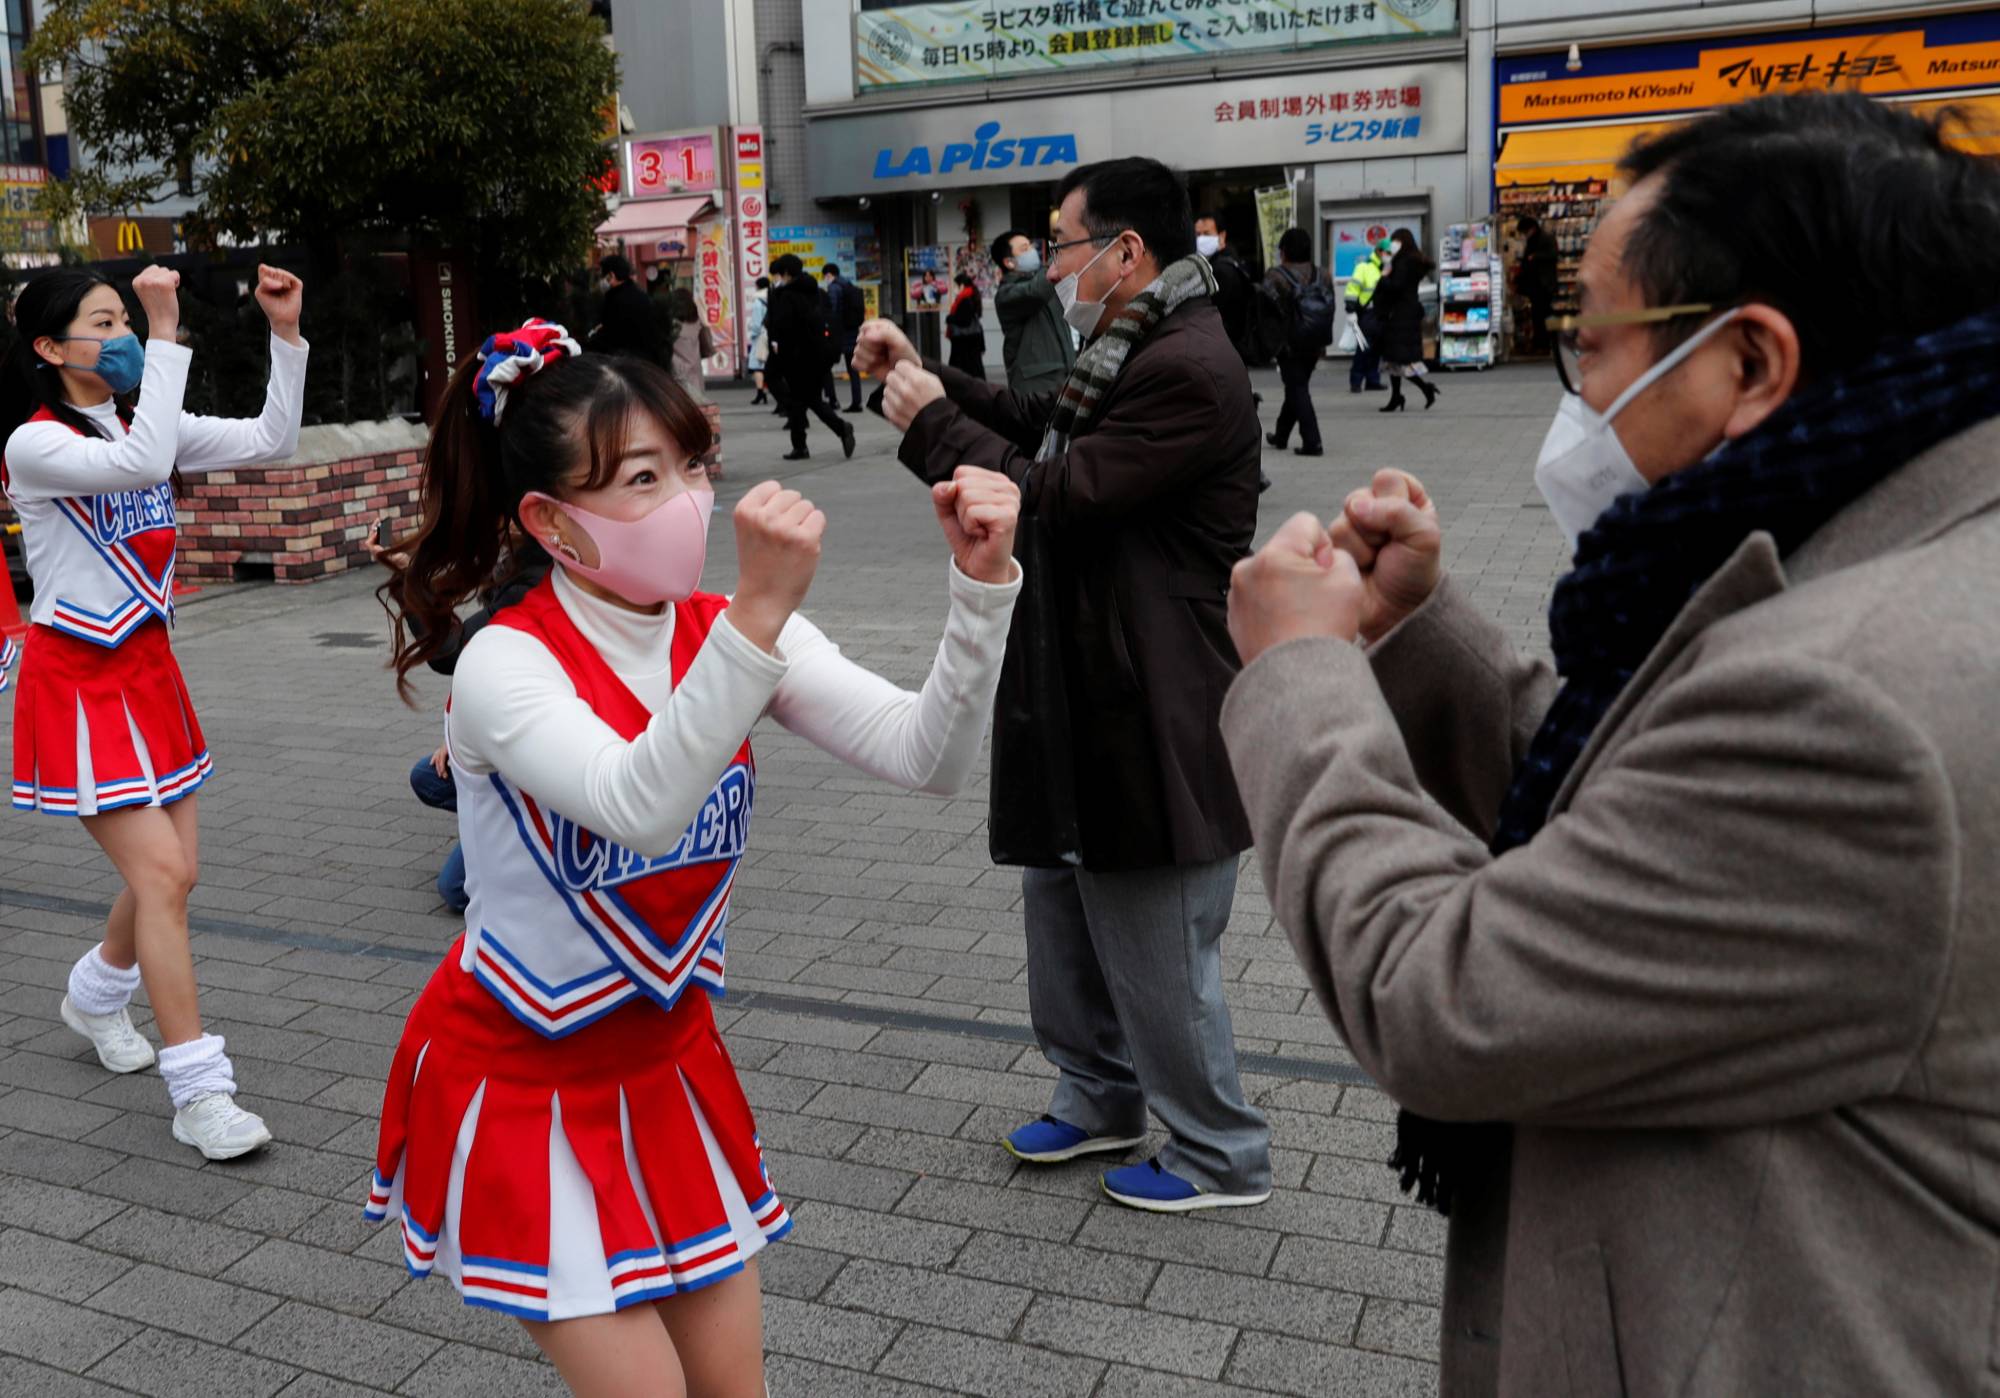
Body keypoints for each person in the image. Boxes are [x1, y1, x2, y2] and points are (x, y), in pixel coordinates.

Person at [1219, 91, 2000, 1395]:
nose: (1579, 390)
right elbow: (1662, 820)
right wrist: (1418, 631)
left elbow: (1442, 988)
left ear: (1754, 362)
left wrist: (1303, 672)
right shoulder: (1893, 522)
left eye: (1594, 343)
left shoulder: (1858, 700)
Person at [370, 319, 1022, 1397]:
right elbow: (639, 807)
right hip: (520, 1077)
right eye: (639, 477)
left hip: (667, 1065)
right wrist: (759, 618)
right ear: (551, 522)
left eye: (688, 464)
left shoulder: (727, 630)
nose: (684, 498)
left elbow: (925, 758)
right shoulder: (505, 662)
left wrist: (977, 594)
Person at [854, 155, 1272, 1213]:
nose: (1049, 265)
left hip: (1154, 694)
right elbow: (1039, 420)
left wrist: (922, 422)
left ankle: (1219, 1154)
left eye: (1063, 243)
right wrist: (932, 380)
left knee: (1154, 936)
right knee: (1064, 899)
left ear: (1126, 253)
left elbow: (1057, 489)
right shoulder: (1129, 341)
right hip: (1086, 680)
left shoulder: (1188, 365)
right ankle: (1099, 1094)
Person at [0, 262, 308, 1160]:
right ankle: (200, 1091)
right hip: (78, 683)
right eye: (106, 324)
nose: (126, 336)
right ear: (51, 349)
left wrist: (283, 335)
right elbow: (134, 464)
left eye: (128, 320)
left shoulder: (148, 419)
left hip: (150, 675)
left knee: (173, 876)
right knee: (164, 879)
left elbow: (272, 440)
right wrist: (167, 330)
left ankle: (96, 995)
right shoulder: (33, 444)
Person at [764, 254, 855, 462]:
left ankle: (828, 434)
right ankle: (830, 433)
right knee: (809, 400)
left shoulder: (786, 295)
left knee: (801, 400)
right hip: (818, 356)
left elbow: (782, 327)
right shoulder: (815, 291)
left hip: (796, 358)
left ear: (786, 273)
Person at [1261, 228, 1327, 458]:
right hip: (1316, 341)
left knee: (1297, 388)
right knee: (1296, 386)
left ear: (1284, 251)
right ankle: (1281, 435)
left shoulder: (1275, 276)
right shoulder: (1323, 274)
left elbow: (1269, 309)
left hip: (1289, 343)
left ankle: (1313, 441)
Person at [989, 229, 1074, 398]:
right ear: (1009, 262)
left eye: (1031, 246)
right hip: (1036, 386)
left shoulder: (1043, 281)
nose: (1032, 251)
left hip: (1064, 377)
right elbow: (1035, 291)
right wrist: (1061, 252)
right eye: (1024, 248)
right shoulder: (1007, 294)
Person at [1372, 227, 1438, 411]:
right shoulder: (1410, 261)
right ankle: (1396, 396)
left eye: (1395, 241)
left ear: (1402, 243)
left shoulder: (1404, 262)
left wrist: (1384, 276)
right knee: (1393, 359)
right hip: (1405, 313)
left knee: (1400, 359)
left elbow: (1395, 286)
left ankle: (1425, 388)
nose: (1392, 245)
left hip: (1399, 315)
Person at [1195, 211, 1256, 367]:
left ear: (1221, 236)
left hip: (1224, 348)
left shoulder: (1221, 270)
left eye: (1206, 234)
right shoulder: (1229, 262)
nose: (1200, 239)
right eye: (1197, 234)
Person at [585, 255, 665, 365]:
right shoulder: (642, 296)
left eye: (601, 276)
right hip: (648, 364)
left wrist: (591, 339)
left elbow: (610, 336)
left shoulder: (614, 301)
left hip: (625, 365)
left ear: (611, 276)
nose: (600, 281)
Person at [821, 263, 866, 413]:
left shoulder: (834, 288)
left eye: (825, 276)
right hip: (852, 331)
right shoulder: (848, 285)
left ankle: (832, 399)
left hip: (839, 333)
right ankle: (857, 402)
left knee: (825, 365)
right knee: (853, 368)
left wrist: (827, 327)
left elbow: (832, 311)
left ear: (829, 274)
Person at [1345, 239, 1387, 392]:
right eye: (1387, 253)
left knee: (1376, 349)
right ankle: (1356, 381)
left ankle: (1372, 380)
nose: (1389, 256)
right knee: (1363, 349)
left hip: (1380, 314)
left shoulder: (1386, 269)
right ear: (1379, 251)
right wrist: (1350, 310)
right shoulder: (1364, 267)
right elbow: (1352, 289)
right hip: (1367, 313)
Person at [1516, 214, 1560, 354]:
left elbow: (1553, 255)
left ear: (1532, 228)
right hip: (1535, 286)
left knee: (1544, 315)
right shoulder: (1533, 240)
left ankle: (1546, 344)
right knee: (1537, 315)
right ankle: (1540, 343)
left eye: (1525, 232)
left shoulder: (1546, 238)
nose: (1524, 235)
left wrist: (1535, 257)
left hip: (1544, 285)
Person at [667, 286, 713, 404]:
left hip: (676, 370)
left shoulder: (671, 324)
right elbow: (707, 345)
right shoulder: (697, 321)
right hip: (695, 370)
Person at [944, 272, 986, 377]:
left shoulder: (965, 299)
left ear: (961, 285)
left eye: (955, 285)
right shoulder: (970, 295)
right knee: (974, 371)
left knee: (964, 373)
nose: (954, 288)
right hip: (971, 340)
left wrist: (949, 318)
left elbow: (964, 320)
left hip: (965, 342)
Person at [745, 275, 770, 406]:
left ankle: (760, 393)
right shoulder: (771, 298)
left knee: (756, 366)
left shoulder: (758, 302)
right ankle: (764, 392)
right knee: (768, 365)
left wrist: (751, 330)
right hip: (770, 335)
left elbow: (756, 323)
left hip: (760, 336)